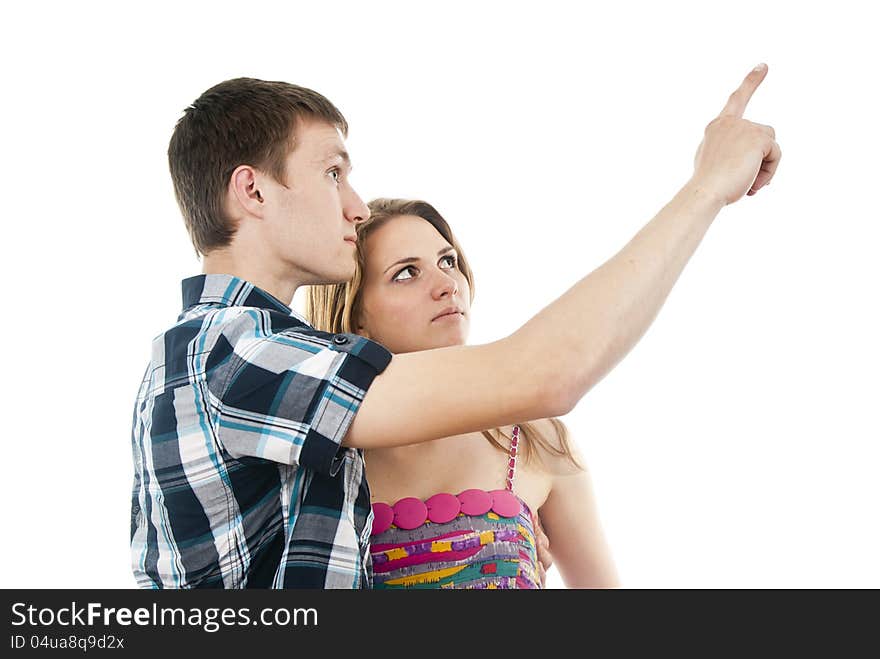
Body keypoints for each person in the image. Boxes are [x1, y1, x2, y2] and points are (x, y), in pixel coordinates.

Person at [130, 66, 781, 588]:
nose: (354, 207)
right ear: (253, 191)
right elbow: (545, 372)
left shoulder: (261, 365)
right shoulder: (234, 354)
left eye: (446, 261)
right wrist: (706, 188)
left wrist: (503, 547)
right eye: (333, 173)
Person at [306, 198, 620, 588]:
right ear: (357, 317)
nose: (447, 286)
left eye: (448, 261)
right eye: (406, 273)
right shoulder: (318, 454)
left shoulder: (537, 438)